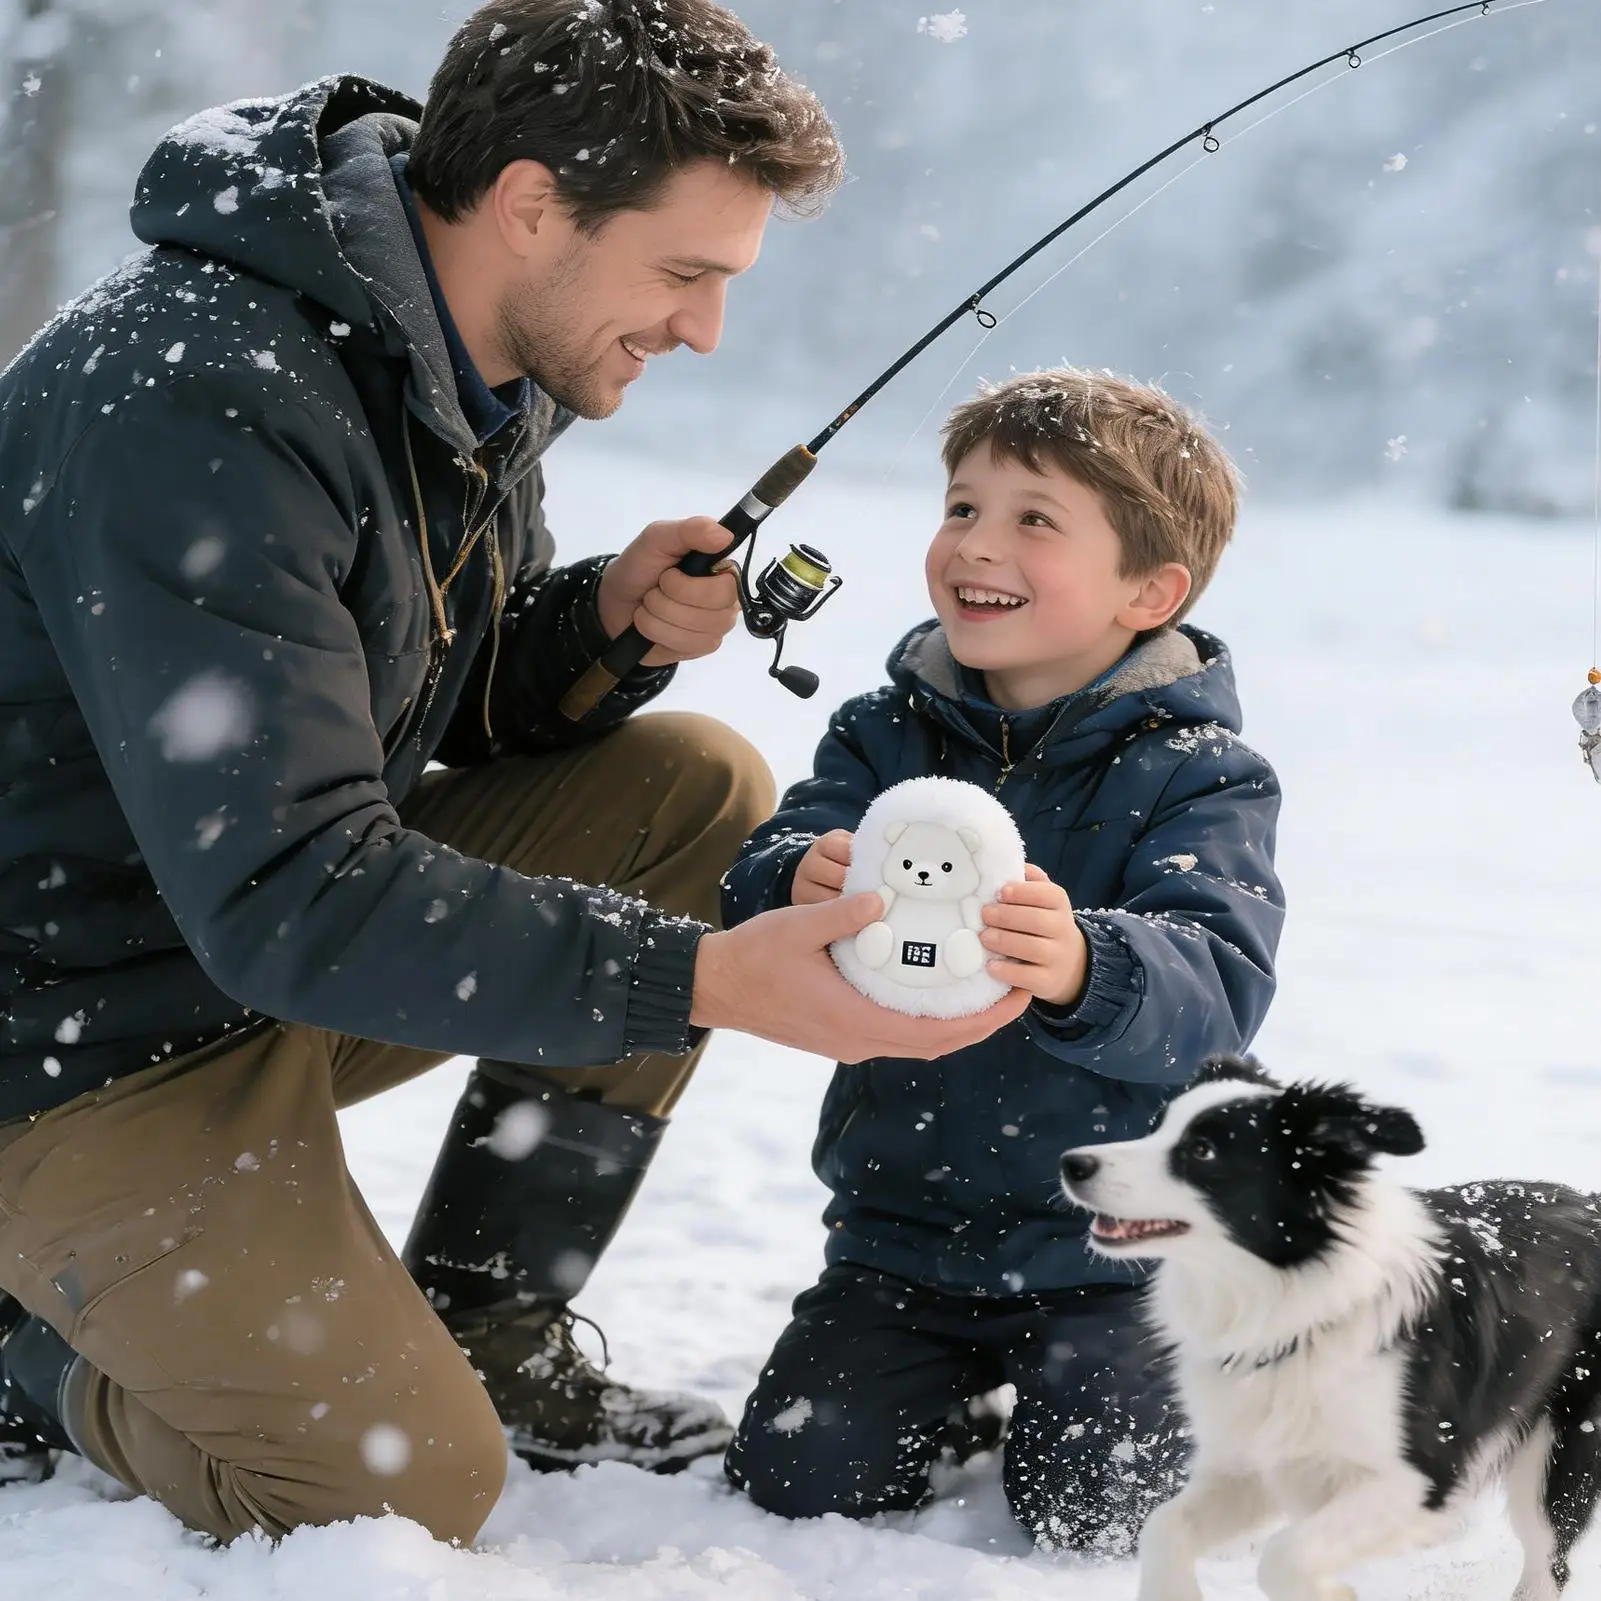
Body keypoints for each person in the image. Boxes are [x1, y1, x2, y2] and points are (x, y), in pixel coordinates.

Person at [0, 0, 1030, 1548]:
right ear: (533, 204)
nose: (704, 329)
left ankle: (492, 1329)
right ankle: (29, 1356)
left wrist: (593, 629)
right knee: (402, 1482)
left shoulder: (452, 360)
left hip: (237, 957)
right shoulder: (198, 397)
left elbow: (405, 704)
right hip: (70, 1037)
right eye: (684, 274)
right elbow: (292, 884)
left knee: (688, 790)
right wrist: (703, 978)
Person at [721, 369, 1287, 1555]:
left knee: (1100, 1507)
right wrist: (794, 878)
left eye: (1034, 518)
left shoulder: (1198, 770)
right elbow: (761, 869)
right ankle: (937, 1393)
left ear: (1148, 590)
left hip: (1112, 1251)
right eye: (962, 507)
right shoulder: (883, 732)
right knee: (798, 1476)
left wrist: (1092, 961)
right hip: (897, 1233)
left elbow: (1217, 979)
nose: (977, 543)